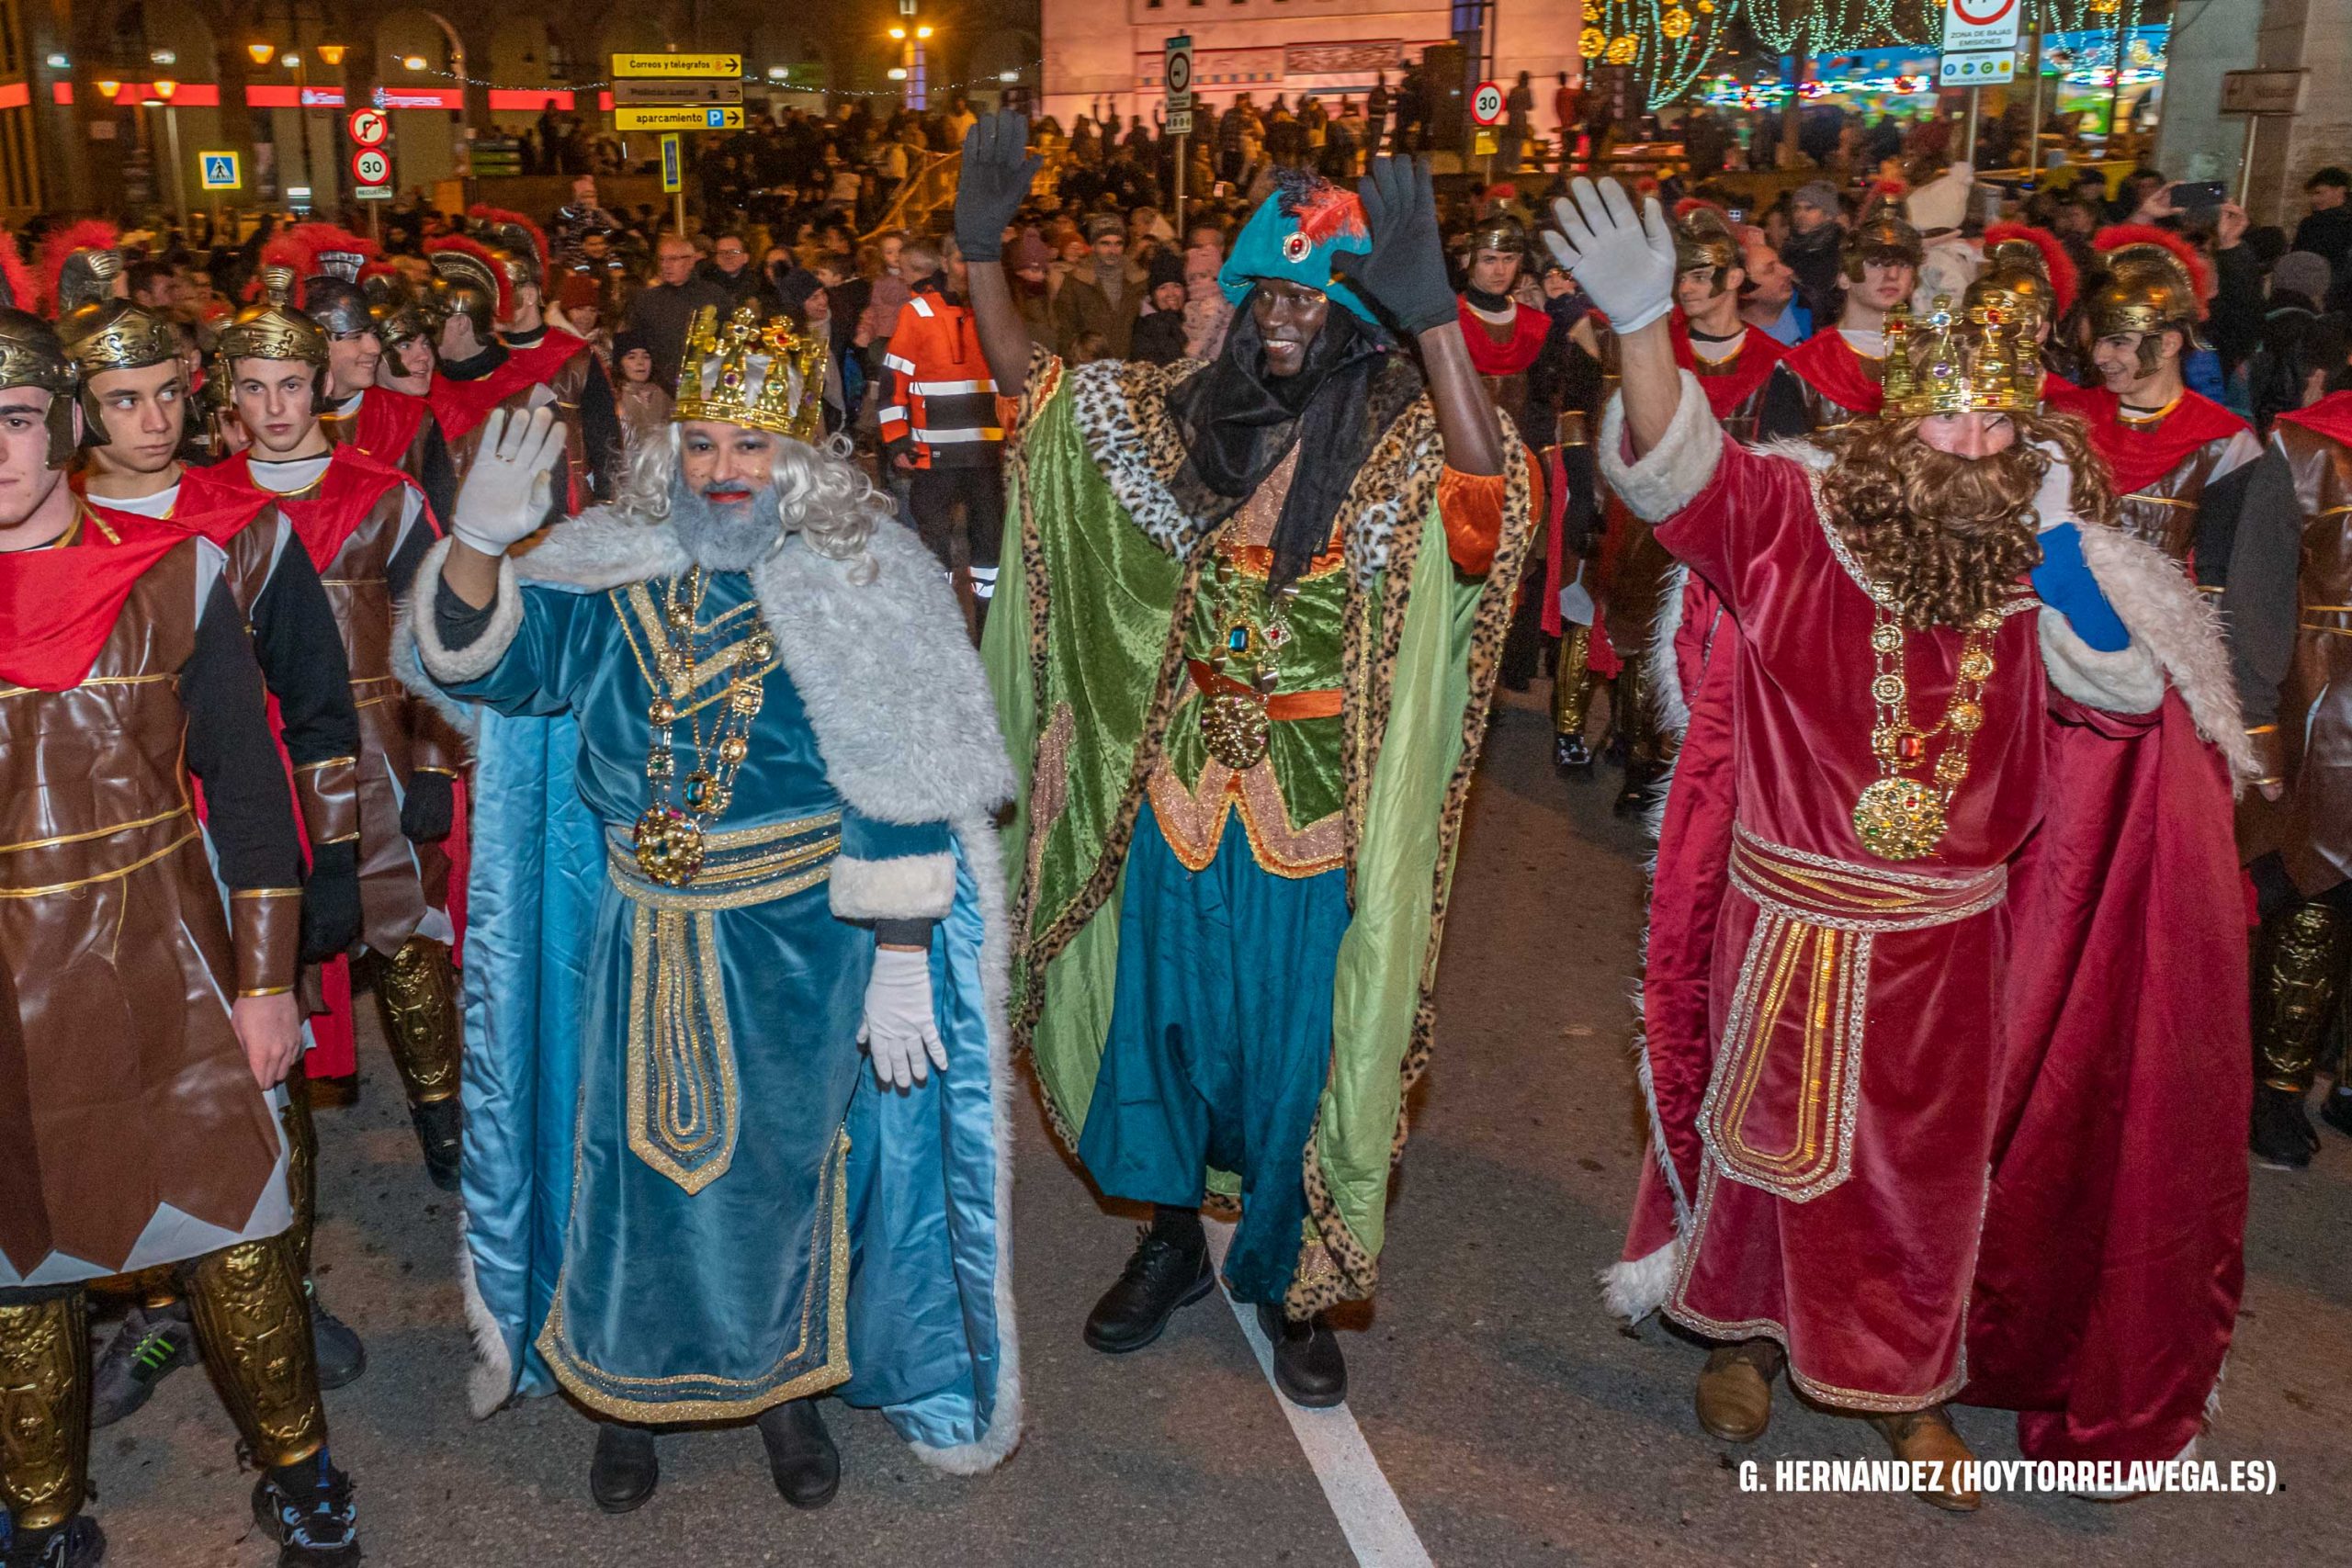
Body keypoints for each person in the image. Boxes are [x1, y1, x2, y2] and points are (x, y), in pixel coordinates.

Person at [1552, 176, 2252, 1507]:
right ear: (1896, 414)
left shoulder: (2023, 553)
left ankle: (1901, 1380)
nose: (1973, 436)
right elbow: (1683, 473)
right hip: (1792, 908)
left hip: (1946, 933)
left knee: (1919, 1176)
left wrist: (2051, 539)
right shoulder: (1802, 519)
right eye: (1950, 408)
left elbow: (2121, 692)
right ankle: (1744, 1336)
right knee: (1759, 1145)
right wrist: (1644, 327)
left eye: (1997, 418)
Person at [401, 308, 1020, 1514]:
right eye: (704, 444)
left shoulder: (865, 576)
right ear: (667, 448)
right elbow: (492, 664)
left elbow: (901, 771)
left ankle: (784, 1386)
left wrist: (901, 949)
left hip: (800, 943)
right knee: (630, 1170)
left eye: (751, 444)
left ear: (798, 454)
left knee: (785, 1171)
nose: (725, 468)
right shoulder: (609, 565)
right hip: (641, 929)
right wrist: (477, 545)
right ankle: (628, 1391)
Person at [957, 114, 1534, 1405]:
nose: (1280, 316)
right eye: (1263, 291)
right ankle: (1171, 1244)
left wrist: (1439, 317)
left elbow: (1487, 507)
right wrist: (980, 250)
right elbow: (1038, 396)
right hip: (1174, 795)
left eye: (1308, 295)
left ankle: (1287, 1276)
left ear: (1354, 312)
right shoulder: (1178, 417)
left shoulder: (1395, 442)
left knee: (1292, 1059)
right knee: (1166, 1040)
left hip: (1315, 813)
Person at [0, 306, 365, 1568]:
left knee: (236, 1236)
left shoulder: (171, 572)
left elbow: (251, 790)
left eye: (14, 418)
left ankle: (311, 1487)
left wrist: (269, 983)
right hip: (4, 998)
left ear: (60, 427)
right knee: (17, 1273)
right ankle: (42, 1512)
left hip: (164, 956)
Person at [211, 264, 469, 1196]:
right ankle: (279, 1170)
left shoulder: (386, 492)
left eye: (290, 383)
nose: (275, 406)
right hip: (256, 760)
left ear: (322, 381)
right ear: (229, 398)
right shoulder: (207, 509)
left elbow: (433, 633)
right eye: (253, 387)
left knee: (402, 940)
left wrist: (438, 760)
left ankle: (445, 1121)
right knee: (272, 953)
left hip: (378, 754)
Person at [2222, 381, 2352, 1167]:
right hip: (2327, 705)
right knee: (2315, 893)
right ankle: (2274, 1093)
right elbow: (2258, 597)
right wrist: (2258, 730)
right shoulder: (2307, 449)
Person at [2077, 226, 2260, 578]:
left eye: (2118, 342)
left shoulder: (2224, 441)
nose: (2100, 356)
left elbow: (2222, 569)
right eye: (2098, 342)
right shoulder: (2070, 420)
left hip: (2170, 621)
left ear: (2167, 345)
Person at [281, 227, 459, 526]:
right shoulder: (273, 419)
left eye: (372, 334)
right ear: (315, 343)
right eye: (356, 337)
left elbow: (439, 523)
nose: (374, 348)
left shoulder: (413, 419)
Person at [880, 237, 1006, 624]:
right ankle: (941, 628)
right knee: (935, 548)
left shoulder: (995, 311)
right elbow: (893, 379)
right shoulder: (917, 312)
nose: (969, 268)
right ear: (945, 263)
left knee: (989, 549)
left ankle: (990, 632)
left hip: (987, 454)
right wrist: (896, 439)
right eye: (961, 259)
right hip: (933, 456)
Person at [469, 208, 622, 508]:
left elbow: (605, 442)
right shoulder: (478, 358)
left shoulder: (574, 357)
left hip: (566, 506)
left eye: (498, 292)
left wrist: (607, 505)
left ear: (527, 295)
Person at [1758, 185, 1921, 438]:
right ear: (1844, 277)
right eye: (1876, 263)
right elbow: (1783, 467)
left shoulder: (1931, 356)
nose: (1892, 275)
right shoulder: (1802, 368)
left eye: (1903, 264)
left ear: (1913, 282)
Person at [628, 234, 731, 394]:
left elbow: (726, 341)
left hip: (705, 387)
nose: (666, 265)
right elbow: (636, 343)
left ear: (691, 261)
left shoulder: (714, 296)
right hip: (659, 388)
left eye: (673, 259)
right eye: (662, 259)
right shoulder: (646, 300)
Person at [1049, 214, 1140, 360]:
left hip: (1129, 369)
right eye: (1105, 243)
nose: (1112, 250)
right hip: (1090, 369)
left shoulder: (1138, 280)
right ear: (1093, 245)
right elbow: (1065, 330)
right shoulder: (1076, 281)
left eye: (1118, 243)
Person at [1130, 251, 1193, 366]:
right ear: (1153, 294)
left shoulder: (1193, 318)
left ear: (1185, 291)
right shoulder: (1146, 327)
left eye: (1177, 286)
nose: (1171, 293)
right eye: (1162, 288)